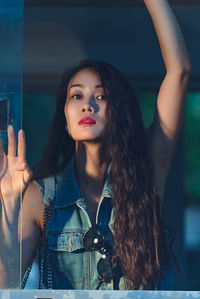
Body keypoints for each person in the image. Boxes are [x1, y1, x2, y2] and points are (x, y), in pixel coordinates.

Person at [0, 0, 191, 290]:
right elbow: (5, 284)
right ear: (65, 118)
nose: (87, 105)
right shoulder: (42, 196)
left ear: (119, 111)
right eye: (76, 96)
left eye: (100, 96)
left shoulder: (146, 175)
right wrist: (9, 205)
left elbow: (179, 71)